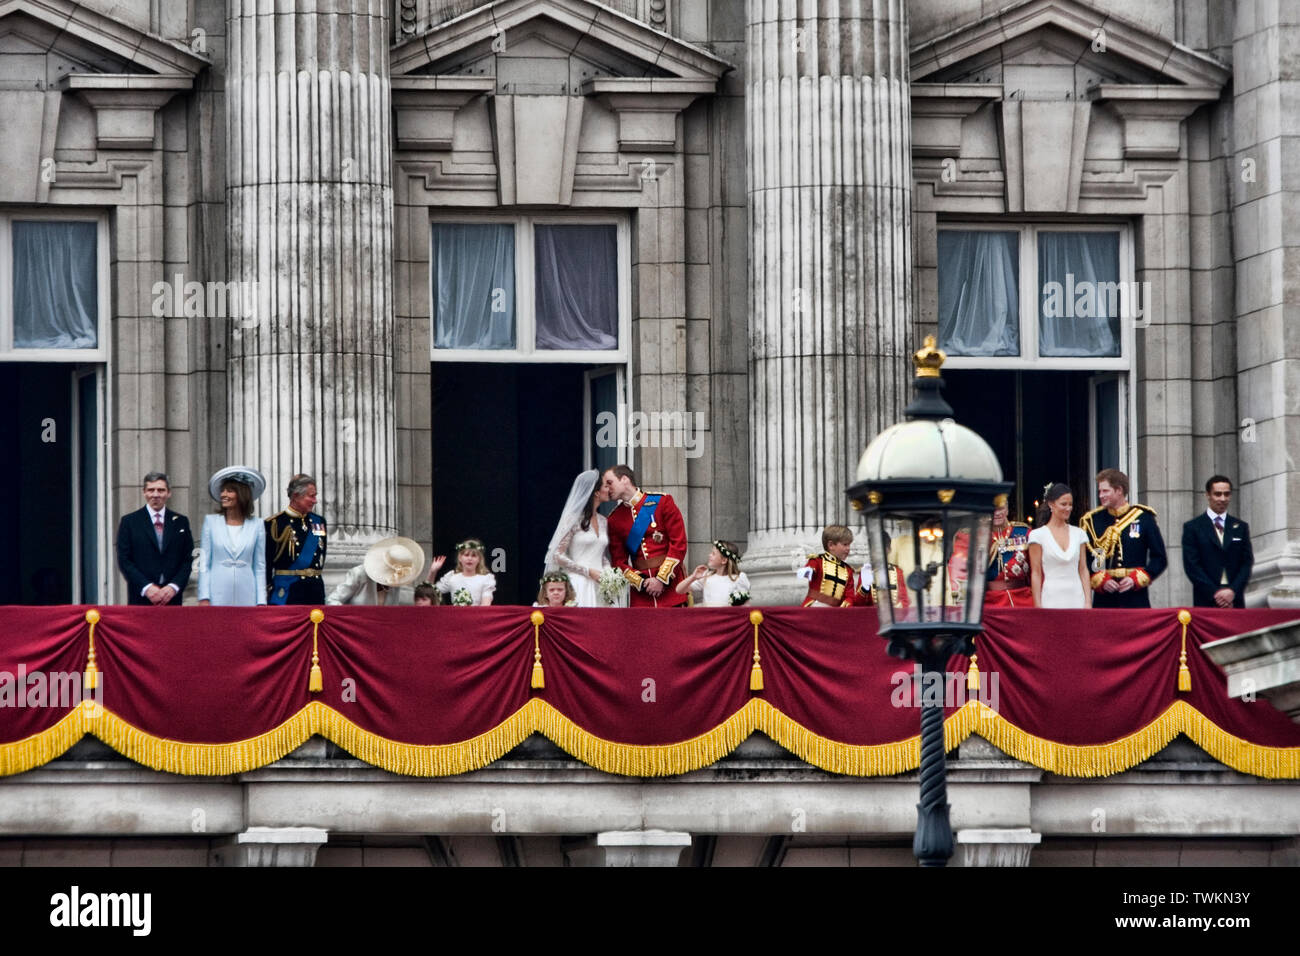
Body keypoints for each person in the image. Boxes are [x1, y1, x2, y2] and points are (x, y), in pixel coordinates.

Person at [1080, 468, 1167, 609]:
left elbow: (1159, 558)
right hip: (1105, 600)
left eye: (1105, 491)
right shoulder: (1094, 520)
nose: (1101, 495)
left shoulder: (1143, 518)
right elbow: (1094, 558)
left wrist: (1137, 579)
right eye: (1100, 491)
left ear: (1119, 490)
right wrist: (1101, 579)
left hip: (1135, 598)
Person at [604, 465, 689, 607]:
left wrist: (661, 579)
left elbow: (679, 544)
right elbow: (619, 561)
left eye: (610, 483)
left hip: (671, 587)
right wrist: (641, 582)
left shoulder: (662, 502)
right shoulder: (614, 519)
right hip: (642, 594)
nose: (607, 489)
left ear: (624, 479)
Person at [116, 471, 193, 606]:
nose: (156, 495)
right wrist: (147, 587)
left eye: (161, 490)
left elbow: (187, 559)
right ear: (144, 492)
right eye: (151, 490)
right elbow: (124, 560)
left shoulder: (181, 522)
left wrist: (173, 587)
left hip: (172, 599)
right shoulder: (130, 522)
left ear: (169, 493)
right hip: (141, 599)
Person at [544, 469, 619, 607]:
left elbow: (600, 555)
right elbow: (557, 555)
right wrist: (588, 571)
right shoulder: (573, 520)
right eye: (605, 486)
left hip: (601, 584)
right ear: (596, 492)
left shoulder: (603, 521)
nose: (609, 489)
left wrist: (609, 574)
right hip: (579, 583)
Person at [197, 466, 268, 606]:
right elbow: (204, 564)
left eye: (229, 491)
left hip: (247, 595)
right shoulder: (211, 522)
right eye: (222, 490)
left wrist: (261, 601)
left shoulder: (257, 525)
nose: (223, 494)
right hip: (217, 594)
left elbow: (259, 566)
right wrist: (204, 596)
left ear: (242, 494)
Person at [1182, 475, 1254, 608]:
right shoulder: (1193, 527)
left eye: (1226, 494)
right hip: (1206, 600)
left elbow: (1246, 562)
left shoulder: (1240, 527)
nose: (1223, 499)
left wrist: (1232, 591)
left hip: (1235, 600)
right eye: (1218, 494)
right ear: (1207, 495)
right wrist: (1215, 594)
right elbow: (1192, 566)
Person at [265, 473, 327, 605]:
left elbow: (321, 555)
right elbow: (266, 563)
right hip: (288, 592)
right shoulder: (275, 523)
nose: (315, 500)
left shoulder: (318, 522)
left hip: (315, 591)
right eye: (311, 496)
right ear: (296, 496)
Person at [1028, 482, 1091, 609]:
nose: (1068, 508)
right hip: (1051, 599)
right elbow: (1036, 573)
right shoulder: (1037, 535)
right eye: (1063, 504)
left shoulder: (1079, 534)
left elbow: (1083, 569)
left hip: (1076, 598)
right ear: (1051, 504)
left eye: (1070, 504)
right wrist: (1038, 605)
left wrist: (1088, 602)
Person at [328, 537, 425, 606]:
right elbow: (332, 600)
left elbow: (392, 611)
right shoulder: (359, 574)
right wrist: (349, 618)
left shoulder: (396, 579)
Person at [799, 525, 867, 608]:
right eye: (845, 544)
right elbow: (809, 570)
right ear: (831, 545)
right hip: (815, 606)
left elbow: (849, 595)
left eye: (849, 545)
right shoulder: (817, 561)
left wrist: (847, 603)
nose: (848, 548)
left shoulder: (848, 570)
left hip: (835, 611)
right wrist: (807, 571)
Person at [985, 494, 1032, 608]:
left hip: (1023, 599)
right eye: (993, 509)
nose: (997, 513)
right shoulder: (979, 536)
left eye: (1001, 508)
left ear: (1007, 509)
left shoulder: (1024, 532)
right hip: (991, 602)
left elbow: (1036, 569)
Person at [677, 540, 751, 606]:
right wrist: (693, 577)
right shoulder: (707, 576)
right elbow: (679, 590)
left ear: (724, 560)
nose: (709, 555)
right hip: (709, 618)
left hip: (727, 619)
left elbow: (745, 604)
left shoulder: (739, 578)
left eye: (713, 554)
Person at [429, 538, 496, 606]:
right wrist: (432, 572)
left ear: (479, 559)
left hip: (477, 615)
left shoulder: (486, 579)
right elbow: (429, 593)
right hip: (456, 615)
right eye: (466, 555)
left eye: (474, 556)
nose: (470, 559)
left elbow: (486, 604)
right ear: (460, 558)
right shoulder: (452, 577)